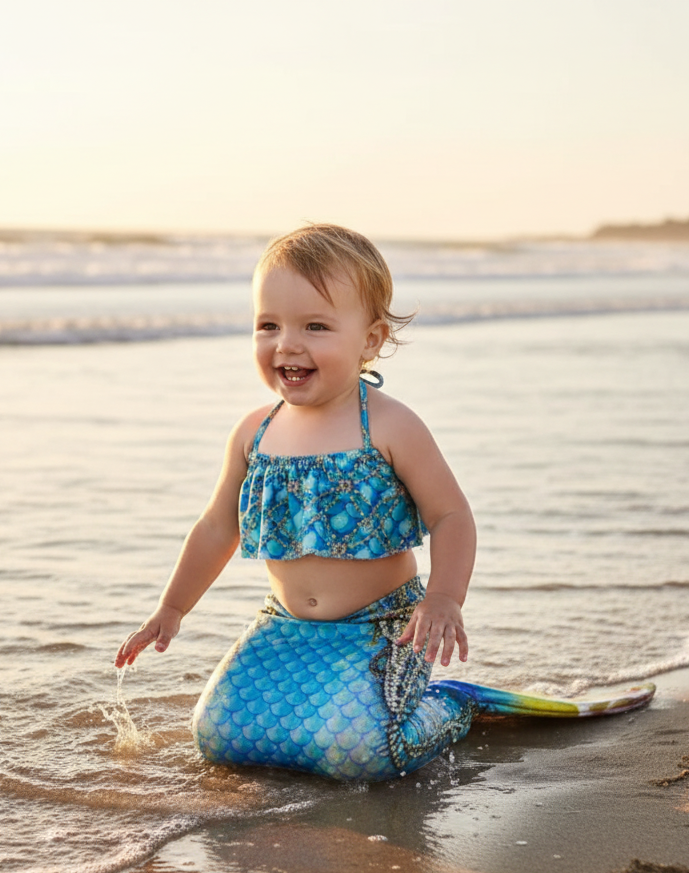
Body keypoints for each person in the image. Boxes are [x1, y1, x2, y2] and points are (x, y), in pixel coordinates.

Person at [115, 224, 480, 781]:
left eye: (315, 325)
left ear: (370, 339)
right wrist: (172, 609)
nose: (287, 343)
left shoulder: (388, 425)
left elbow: (450, 515)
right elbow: (217, 527)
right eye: (269, 325)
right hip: (285, 624)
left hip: (384, 625)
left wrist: (443, 598)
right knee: (218, 736)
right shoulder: (254, 433)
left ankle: (451, 705)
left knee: (362, 753)